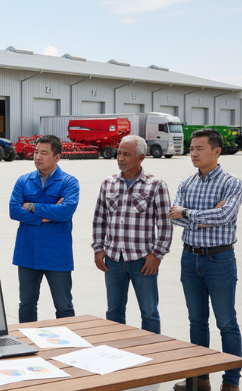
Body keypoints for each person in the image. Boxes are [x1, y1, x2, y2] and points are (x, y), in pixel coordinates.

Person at [170, 128, 242, 391]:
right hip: (189, 259)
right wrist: (203, 216)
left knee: (226, 322)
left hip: (219, 259)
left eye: (199, 148)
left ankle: (231, 382)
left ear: (216, 151)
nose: (193, 153)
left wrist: (188, 213)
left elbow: (224, 216)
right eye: (191, 149)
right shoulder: (186, 183)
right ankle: (200, 379)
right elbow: (174, 217)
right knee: (197, 321)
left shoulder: (231, 182)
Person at [91, 135, 172, 335]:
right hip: (113, 261)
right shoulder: (108, 183)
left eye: (126, 154)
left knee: (149, 312)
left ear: (141, 157)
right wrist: (98, 249)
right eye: (119, 153)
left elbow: (165, 224)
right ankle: (117, 349)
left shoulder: (156, 185)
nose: (120, 158)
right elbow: (100, 219)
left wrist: (157, 255)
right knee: (114, 311)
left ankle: (151, 351)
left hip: (143, 261)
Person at [8, 134, 79, 323]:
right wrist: (48, 215)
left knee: (63, 306)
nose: (38, 157)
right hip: (27, 252)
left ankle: (67, 341)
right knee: (26, 305)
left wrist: (31, 206)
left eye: (44, 153)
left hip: (57, 254)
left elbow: (65, 212)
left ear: (57, 157)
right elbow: (14, 211)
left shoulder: (69, 182)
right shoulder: (23, 181)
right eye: (36, 152)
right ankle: (26, 339)